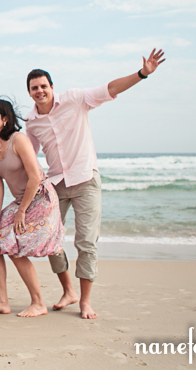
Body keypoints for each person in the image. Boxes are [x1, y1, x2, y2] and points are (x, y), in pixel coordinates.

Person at [24, 49, 166, 320]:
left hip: (85, 179)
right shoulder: (31, 122)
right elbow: (27, 155)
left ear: (52, 87)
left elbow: (109, 89)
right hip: (56, 184)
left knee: (86, 242)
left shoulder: (75, 98)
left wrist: (142, 74)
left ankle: (85, 301)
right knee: (50, 240)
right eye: (34, 88)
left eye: (43, 86)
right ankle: (68, 291)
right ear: (30, 93)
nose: (40, 91)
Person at [0, 99, 64, 317]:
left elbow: (35, 177)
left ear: (5, 119)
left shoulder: (19, 140)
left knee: (12, 246)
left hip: (41, 197)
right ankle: (2, 302)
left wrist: (21, 211)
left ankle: (38, 303)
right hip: (21, 201)